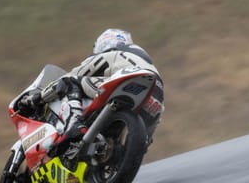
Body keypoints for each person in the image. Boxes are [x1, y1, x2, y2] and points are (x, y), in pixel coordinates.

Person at [19, 28, 164, 146]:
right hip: (155, 95)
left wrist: (36, 99)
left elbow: (70, 76)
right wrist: (142, 144)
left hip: (126, 84)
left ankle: (74, 124)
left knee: (70, 81)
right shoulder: (143, 59)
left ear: (104, 43)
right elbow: (147, 133)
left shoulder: (111, 54)